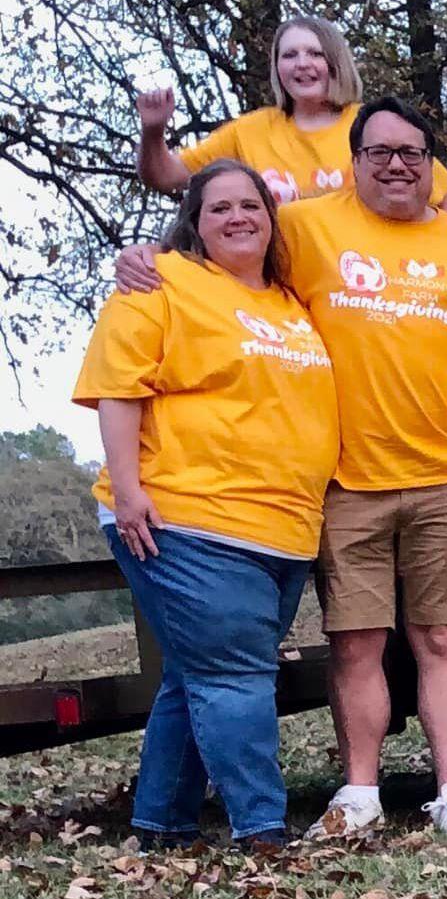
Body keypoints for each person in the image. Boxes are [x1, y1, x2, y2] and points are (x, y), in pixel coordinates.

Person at [119, 95, 447, 833]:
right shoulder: (304, 226)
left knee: (442, 638)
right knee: (357, 640)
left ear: (432, 166)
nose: (397, 166)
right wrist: (149, 260)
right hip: (344, 482)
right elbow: (226, 257)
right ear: (354, 160)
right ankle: (362, 793)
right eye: (380, 153)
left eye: (413, 154)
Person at [75, 160, 340, 848]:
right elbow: (118, 388)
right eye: (218, 207)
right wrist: (129, 492)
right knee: (235, 676)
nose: (236, 217)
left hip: (283, 529)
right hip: (186, 518)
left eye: (249, 205)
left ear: (270, 217)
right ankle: (262, 830)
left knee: (198, 673)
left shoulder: (290, 303)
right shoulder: (162, 283)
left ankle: (161, 822)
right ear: (194, 222)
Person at [136, 14, 447, 213]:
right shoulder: (250, 131)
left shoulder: (372, 125)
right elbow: (165, 176)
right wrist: (153, 132)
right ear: (277, 67)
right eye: (289, 55)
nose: (302, 64)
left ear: (335, 63)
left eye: (314, 54)